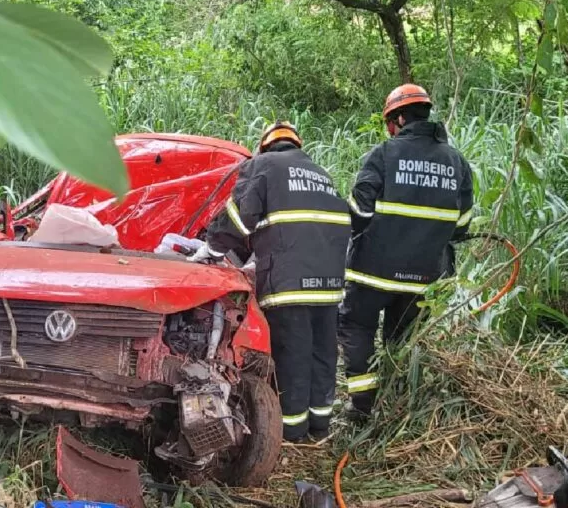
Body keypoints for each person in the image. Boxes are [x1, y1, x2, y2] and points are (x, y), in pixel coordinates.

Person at [189, 121, 351, 442]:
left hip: (289, 284)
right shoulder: (321, 174)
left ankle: (291, 433)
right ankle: (319, 427)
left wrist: (211, 247)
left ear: (264, 147)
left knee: (293, 355)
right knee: (322, 353)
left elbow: (239, 217)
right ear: (296, 145)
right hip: (330, 285)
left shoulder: (262, 166)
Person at [337, 84, 473, 420]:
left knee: (356, 328)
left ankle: (362, 407)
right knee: (403, 338)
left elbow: (360, 213)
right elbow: (462, 226)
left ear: (399, 118)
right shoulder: (457, 163)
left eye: (389, 123)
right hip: (425, 275)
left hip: (373, 271)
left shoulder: (383, 155)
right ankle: (397, 405)